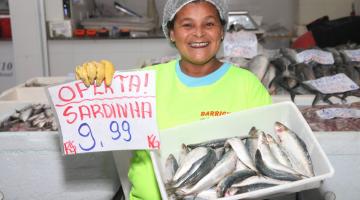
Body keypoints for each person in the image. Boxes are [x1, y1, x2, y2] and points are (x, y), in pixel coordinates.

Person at [75, 0, 272, 199]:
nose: (199, 33)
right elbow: (100, 126)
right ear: (171, 33)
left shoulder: (247, 86)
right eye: (187, 25)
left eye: (209, 24)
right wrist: (95, 87)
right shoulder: (145, 82)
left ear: (221, 31)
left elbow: (266, 153)